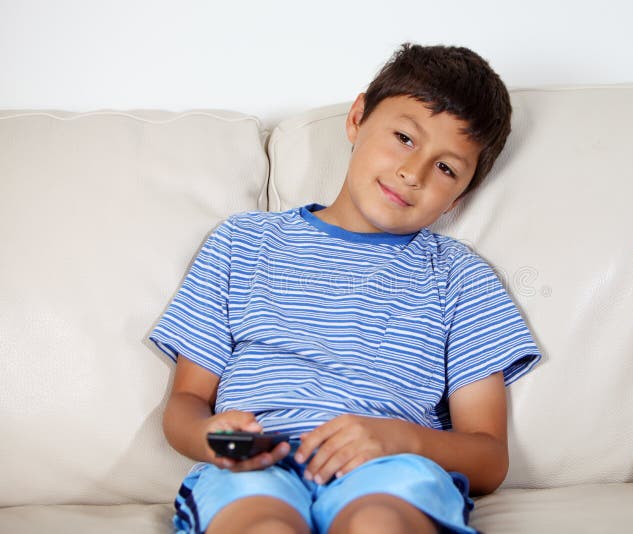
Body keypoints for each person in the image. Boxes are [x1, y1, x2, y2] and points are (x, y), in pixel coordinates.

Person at [149, 42, 542, 534]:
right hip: (255, 468)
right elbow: (186, 402)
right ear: (357, 118)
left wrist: (400, 440)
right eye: (404, 137)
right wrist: (209, 435)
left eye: (446, 168)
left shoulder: (461, 277)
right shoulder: (240, 244)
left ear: (458, 197)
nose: (413, 173)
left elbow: (488, 457)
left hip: (389, 468)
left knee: (379, 523)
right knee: (261, 525)